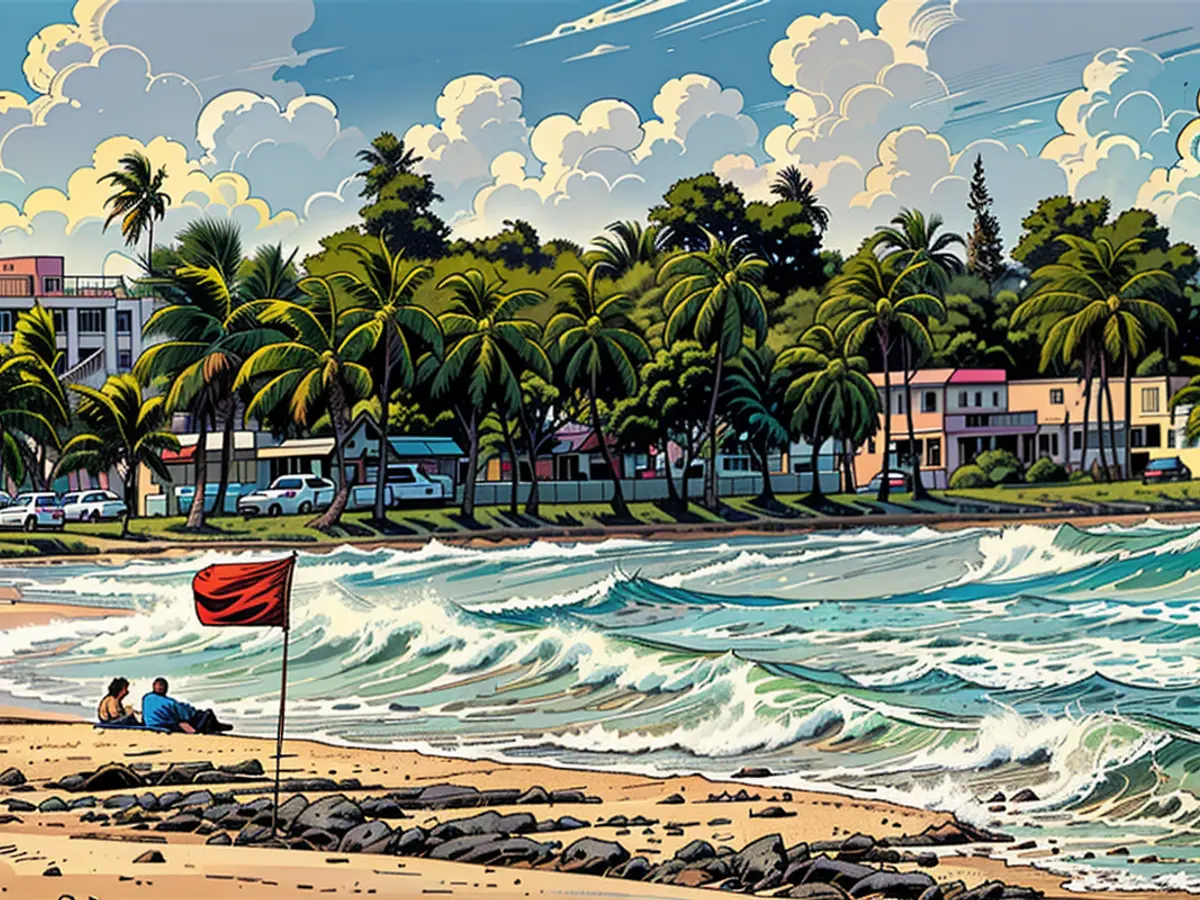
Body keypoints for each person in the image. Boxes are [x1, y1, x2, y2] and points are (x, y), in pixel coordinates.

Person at [141, 677, 233, 734]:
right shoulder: (169, 702)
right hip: (166, 726)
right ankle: (216, 727)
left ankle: (215, 727)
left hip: (151, 725)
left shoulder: (146, 698)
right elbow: (184, 713)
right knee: (207, 713)